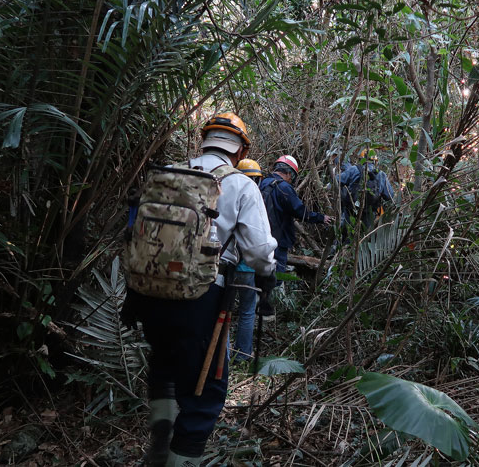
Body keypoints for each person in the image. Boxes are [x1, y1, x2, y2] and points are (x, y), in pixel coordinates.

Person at [125, 113, 277, 467]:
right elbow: (257, 251)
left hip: (150, 291)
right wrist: (268, 273)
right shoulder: (241, 185)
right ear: (240, 151)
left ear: (203, 141)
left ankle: (161, 437)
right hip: (201, 296)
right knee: (206, 389)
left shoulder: (168, 174)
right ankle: (180, 460)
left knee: (163, 362)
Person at [230, 159, 274, 365]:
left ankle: (223, 356)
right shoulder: (256, 200)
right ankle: (243, 355)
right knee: (247, 312)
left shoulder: (228, 194)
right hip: (248, 268)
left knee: (224, 312)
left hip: (227, 267)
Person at [259, 154, 333, 273]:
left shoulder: (263, 183)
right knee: (275, 276)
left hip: (260, 237)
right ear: (289, 173)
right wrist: (320, 218)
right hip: (278, 241)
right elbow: (300, 211)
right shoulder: (284, 187)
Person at [336, 149, 395, 241]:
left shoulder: (353, 170)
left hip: (351, 211)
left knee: (346, 235)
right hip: (370, 213)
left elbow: (336, 180)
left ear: (361, 159)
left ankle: (340, 251)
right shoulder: (381, 175)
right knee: (365, 238)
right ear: (376, 161)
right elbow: (389, 196)